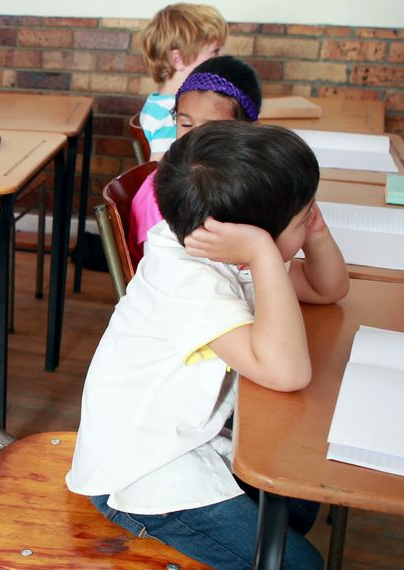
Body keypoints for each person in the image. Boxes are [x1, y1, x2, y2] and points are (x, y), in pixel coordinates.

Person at [67, 121, 349, 569]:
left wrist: (309, 231)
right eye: (303, 216)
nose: (312, 217)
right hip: (142, 470)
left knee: (298, 501)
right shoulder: (185, 280)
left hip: (197, 432)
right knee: (300, 564)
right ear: (244, 240)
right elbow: (288, 371)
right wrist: (262, 252)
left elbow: (328, 287)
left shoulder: (220, 250)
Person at [128, 55, 262, 263]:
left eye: (210, 129)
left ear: (249, 131)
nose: (194, 138)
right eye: (186, 124)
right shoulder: (161, 193)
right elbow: (165, 271)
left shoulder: (249, 180)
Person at [138, 3, 227, 160]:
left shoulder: (162, 102)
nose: (222, 59)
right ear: (178, 60)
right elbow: (161, 176)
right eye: (215, 51)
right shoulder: (170, 115)